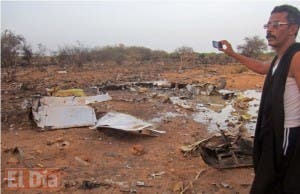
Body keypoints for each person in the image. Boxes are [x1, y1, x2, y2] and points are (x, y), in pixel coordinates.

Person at [219, 4, 300, 194]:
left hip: (287, 133)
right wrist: (232, 53)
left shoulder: (296, 56)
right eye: (268, 25)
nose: (269, 30)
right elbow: (261, 67)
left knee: (279, 181)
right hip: (273, 131)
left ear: (293, 29)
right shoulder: (280, 58)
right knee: (271, 179)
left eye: (276, 24)